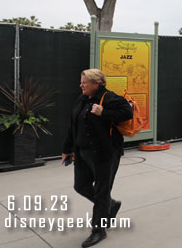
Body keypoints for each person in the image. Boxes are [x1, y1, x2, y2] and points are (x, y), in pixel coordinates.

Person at [62, 69, 132, 248]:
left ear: (96, 84)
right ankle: (111, 205)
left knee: (101, 192)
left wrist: (104, 113)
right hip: (82, 153)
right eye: (81, 82)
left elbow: (127, 112)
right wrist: (67, 148)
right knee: (81, 186)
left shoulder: (109, 98)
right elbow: (73, 124)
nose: (81, 85)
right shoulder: (82, 99)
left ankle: (98, 231)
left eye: (84, 82)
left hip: (104, 154)